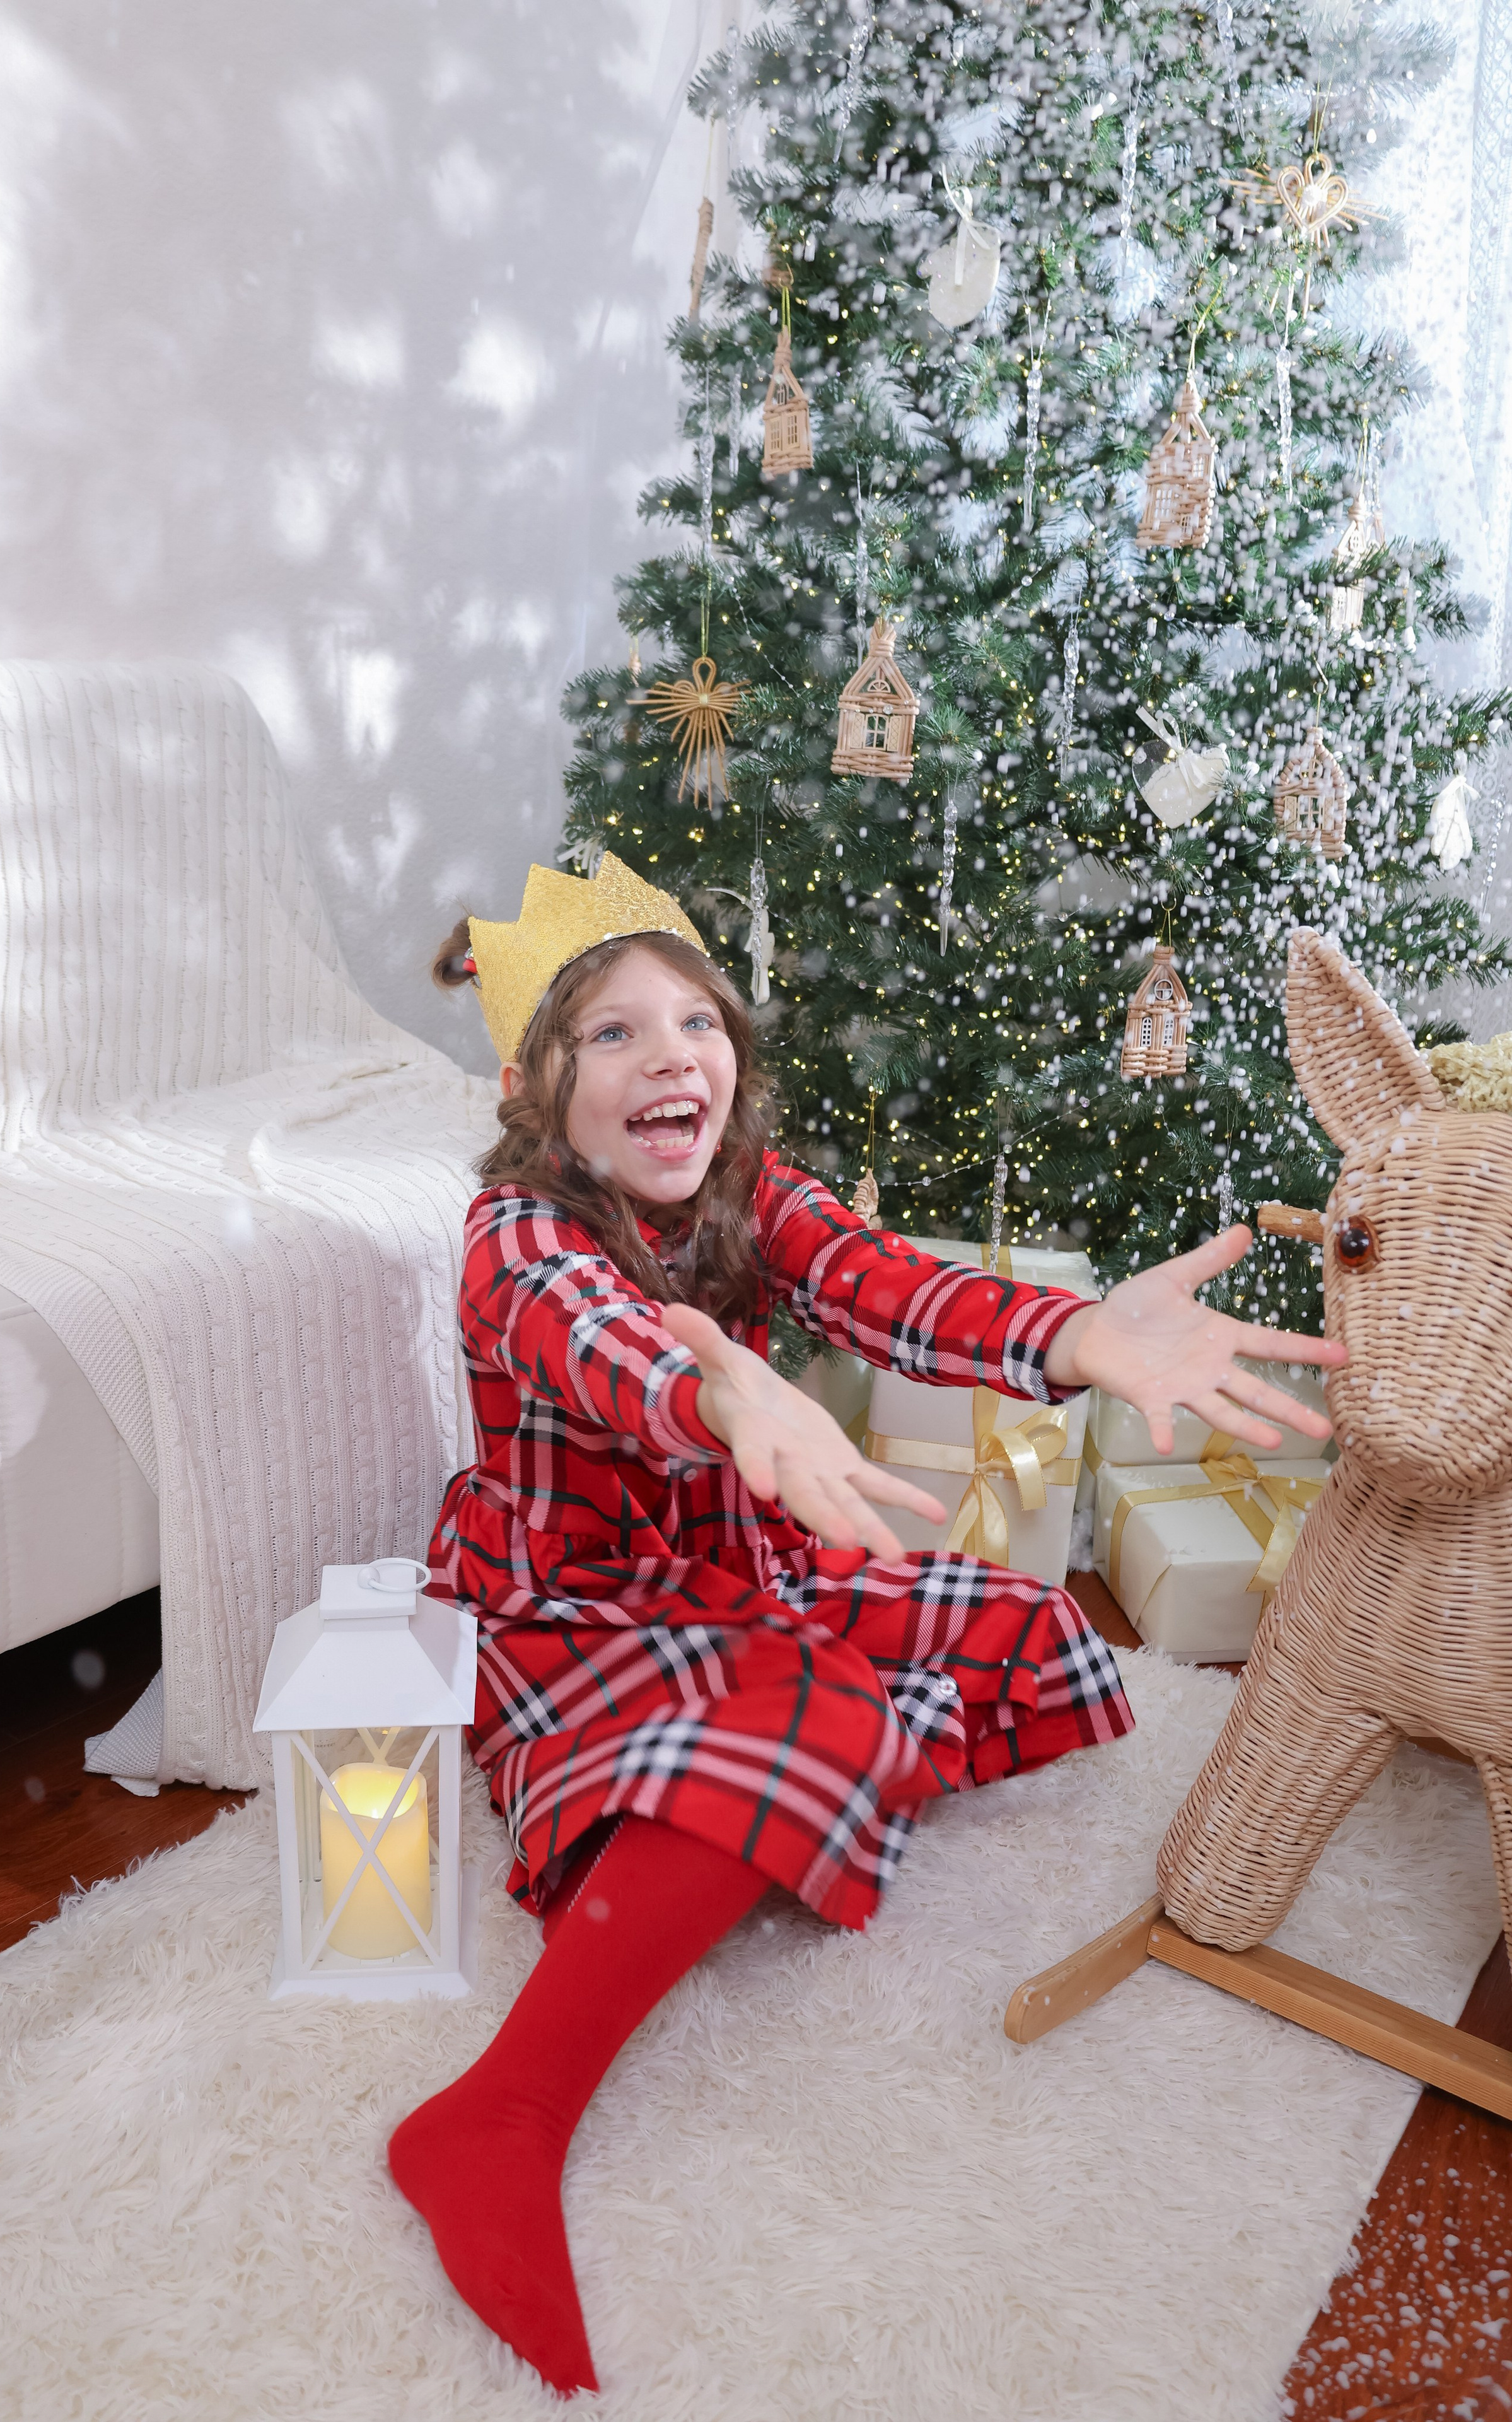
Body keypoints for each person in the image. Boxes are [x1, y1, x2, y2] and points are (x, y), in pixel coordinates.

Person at [387, 853, 1344, 2396]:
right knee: (821, 1727)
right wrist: (720, 1389)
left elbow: (892, 1287)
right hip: (577, 1612)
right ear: (529, 1087)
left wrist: (1081, 1332)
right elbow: (603, 1347)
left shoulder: (753, 1198)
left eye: (694, 1023)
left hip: (737, 1568)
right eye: (612, 1035)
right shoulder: (515, 1235)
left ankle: (721, 1804)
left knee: (1023, 1636)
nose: (668, 1057)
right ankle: (496, 2114)